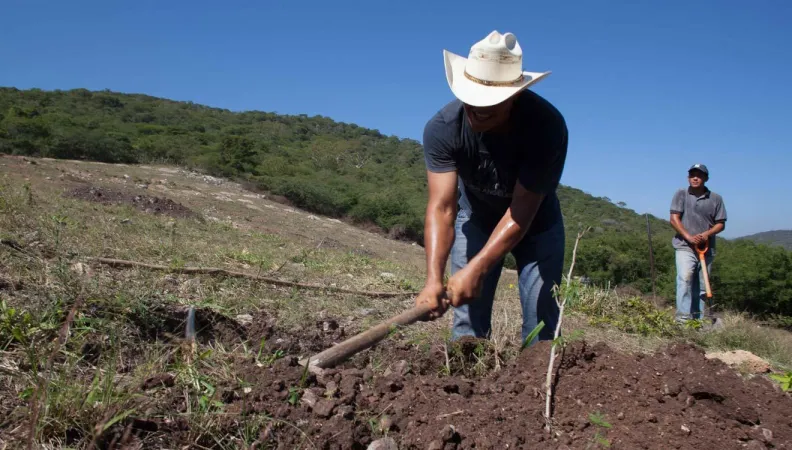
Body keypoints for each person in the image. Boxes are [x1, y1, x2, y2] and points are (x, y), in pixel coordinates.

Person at [415, 30, 568, 346]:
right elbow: (442, 208)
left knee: (542, 325)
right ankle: (467, 379)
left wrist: (479, 266)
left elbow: (521, 213)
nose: (476, 110)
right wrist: (433, 280)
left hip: (537, 226)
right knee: (467, 322)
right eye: (471, 99)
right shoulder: (443, 128)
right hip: (477, 220)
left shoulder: (547, 127)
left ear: (515, 97)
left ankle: (537, 380)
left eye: (489, 103)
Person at [669, 163, 727, 323]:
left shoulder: (716, 199)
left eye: (699, 175)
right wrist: (689, 237)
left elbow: (720, 223)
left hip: (706, 249)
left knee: (702, 286)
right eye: (692, 175)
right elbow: (674, 219)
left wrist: (706, 235)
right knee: (685, 280)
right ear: (688, 178)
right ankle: (682, 321)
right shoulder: (681, 194)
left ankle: (698, 322)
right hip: (684, 247)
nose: (695, 178)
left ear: (706, 178)